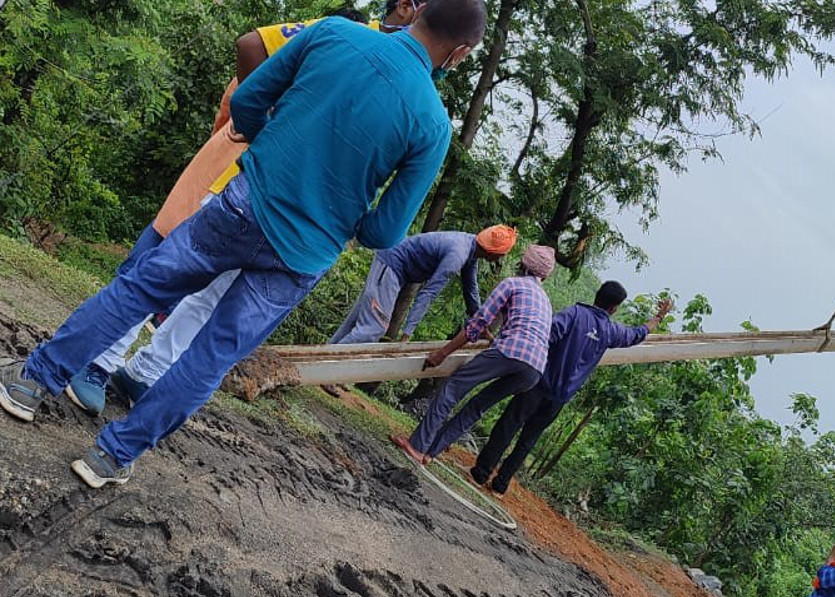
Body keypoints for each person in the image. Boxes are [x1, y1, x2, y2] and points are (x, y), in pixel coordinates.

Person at [1, 1, 487, 488]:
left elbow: (249, 98)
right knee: (211, 357)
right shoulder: (432, 125)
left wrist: (270, 145)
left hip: (241, 207)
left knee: (140, 289)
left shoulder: (336, 33)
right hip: (302, 257)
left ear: (420, 12)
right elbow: (384, 232)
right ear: (460, 53)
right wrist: (343, 218)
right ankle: (111, 456)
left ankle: (32, 382)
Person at [60, 2, 422, 415]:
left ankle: (145, 371)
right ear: (408, 7)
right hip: (246, 164)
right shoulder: (347, 34)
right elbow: (253, 45)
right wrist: (267, 125)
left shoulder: (410, 82)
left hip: (290, 203)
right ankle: (97, 360)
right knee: (162, 258)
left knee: (213, 293)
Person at [469, 282, 673, 494]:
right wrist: (659, 317)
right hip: (560, 397)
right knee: (528, 440)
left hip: (537, 382)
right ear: (614, 308)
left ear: (597, 296)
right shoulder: (610, 331)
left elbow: (545, 335)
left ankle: (481, 473)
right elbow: (637, 334)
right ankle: (500, 484)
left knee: (508, 425)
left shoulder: (574, 314)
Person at [391, 244, 557, 465]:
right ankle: (430, 452)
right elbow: (528, 333)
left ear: (523, 264)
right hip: (535, 369)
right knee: (478, 406)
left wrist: (443, 353)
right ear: (544, 275)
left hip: (510, 352)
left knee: (452, 388)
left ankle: (417, 446)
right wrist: (493, 339)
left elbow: (477, 323)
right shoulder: (545, 300)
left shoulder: (512, 284)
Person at [329, 226, 517, 346]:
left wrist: (481, 324)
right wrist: (407, 332)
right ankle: (326, 368)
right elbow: (428, 292)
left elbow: (471, 290)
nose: (503, 257)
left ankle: (321, 362)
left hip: (394, 269)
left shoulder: (470, 248)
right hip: (391, 266)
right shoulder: (457, 255)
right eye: (504, 253)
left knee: (356, 320)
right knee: (374, 327)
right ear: (493, 253)